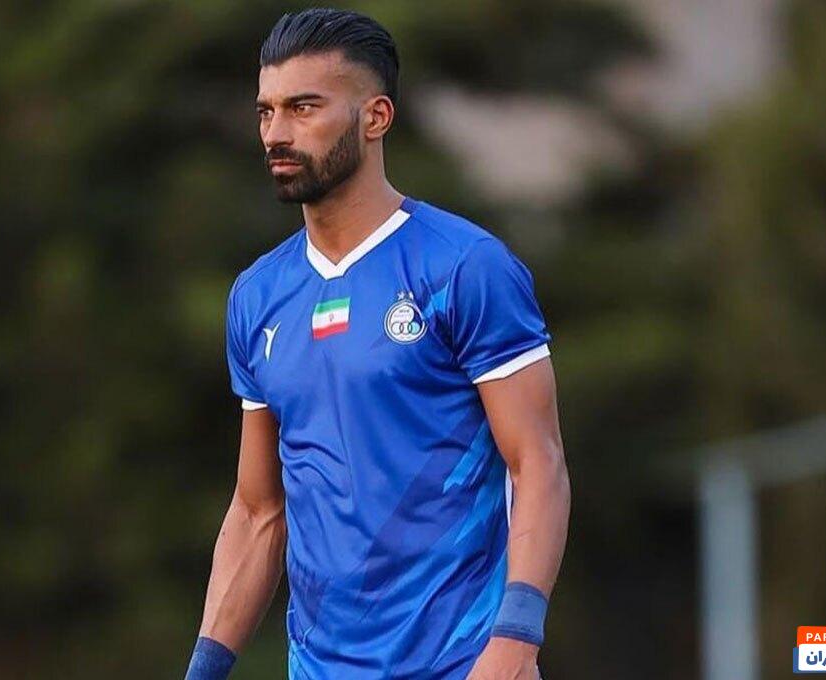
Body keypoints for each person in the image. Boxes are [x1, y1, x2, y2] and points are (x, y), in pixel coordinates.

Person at [182, 8, 571, 679]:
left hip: (462, 662)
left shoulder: (464, 266)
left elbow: (537, 461)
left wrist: (515, 641)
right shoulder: (257, 295)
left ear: (376, 117)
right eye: (266, 111)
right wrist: (204, 670)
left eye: (304, 107)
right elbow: (257, 511)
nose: (276, 133)